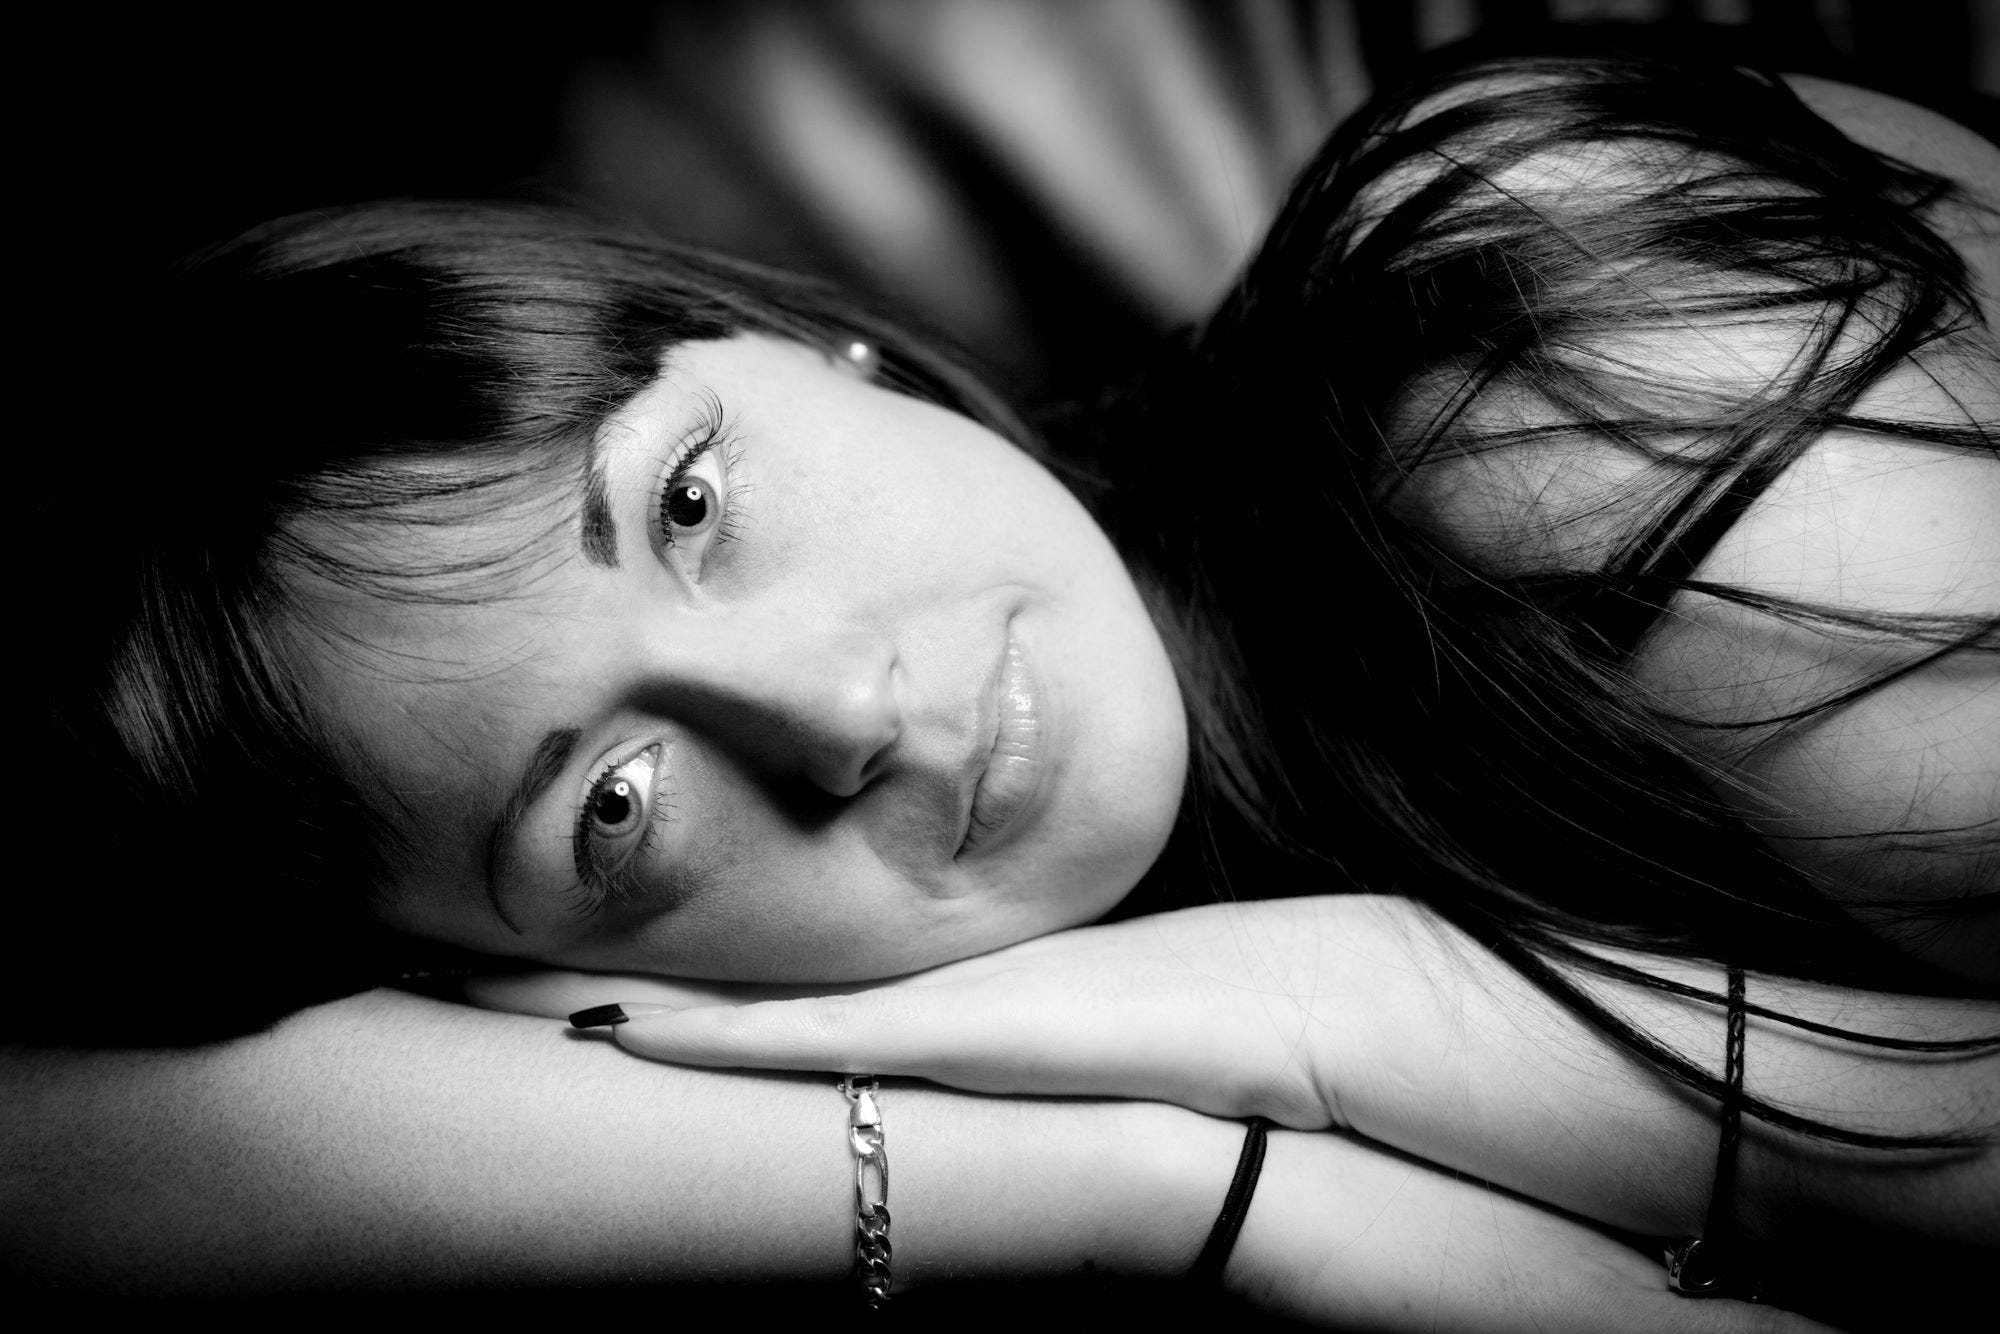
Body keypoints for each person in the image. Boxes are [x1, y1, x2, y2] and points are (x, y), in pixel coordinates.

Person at [8, 42, 1993, 1328]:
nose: (837, 706)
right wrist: (1149, 1170)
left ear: (798, 345)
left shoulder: (1539, 353)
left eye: (691, 500)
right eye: (615, 804)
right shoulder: (1065, 1143)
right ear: (516, 998)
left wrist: (1339, 1016)